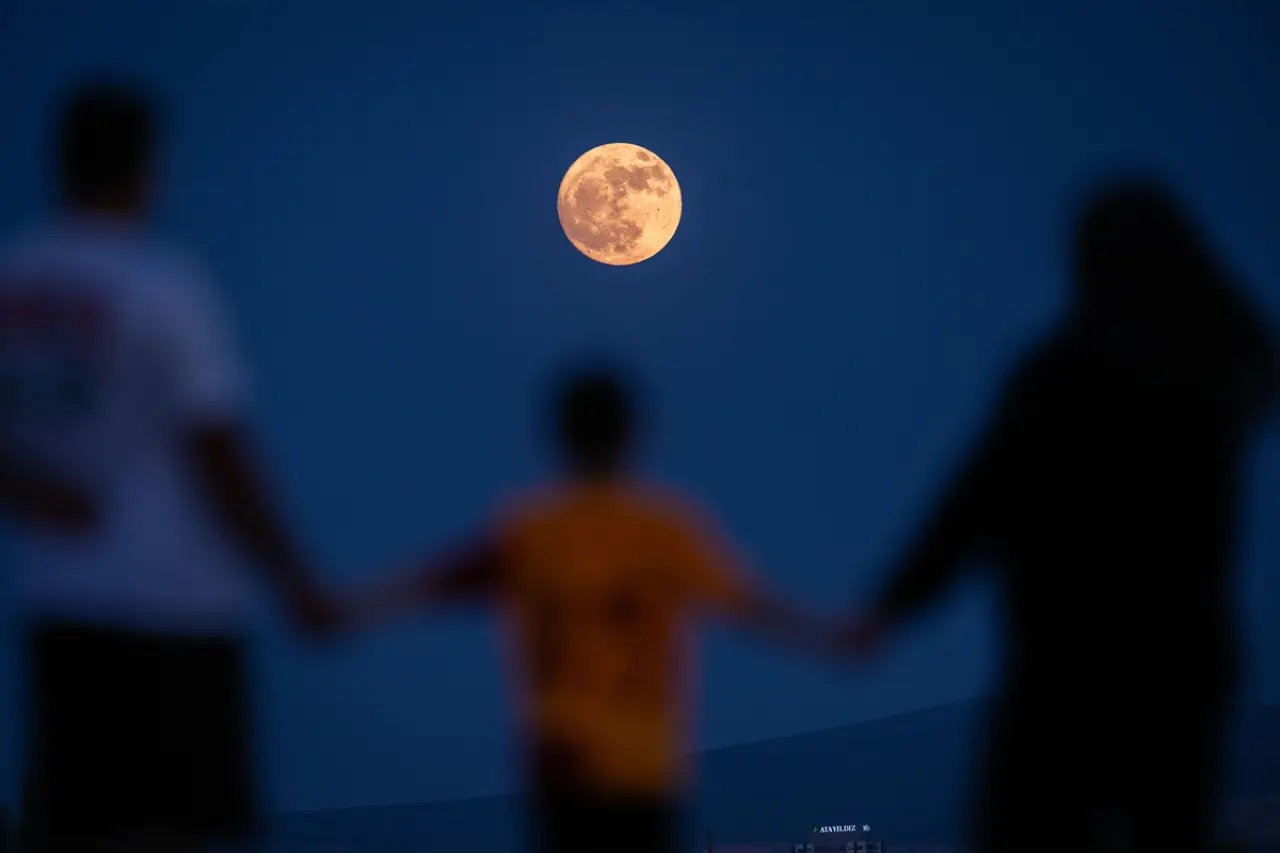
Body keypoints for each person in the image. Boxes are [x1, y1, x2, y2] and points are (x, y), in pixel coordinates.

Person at [844, 177, 1276, 852]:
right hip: (1183, 666)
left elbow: (979, 495)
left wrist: (893, 603)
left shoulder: (1063, 372)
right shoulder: (1220, 375)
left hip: (1062, 668)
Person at [0, 80, 335, 852]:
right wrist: (294, 579)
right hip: (174, 607)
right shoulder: (159, 283)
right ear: (146, 165)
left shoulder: (14, 279)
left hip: (60, 603)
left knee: (79, 821)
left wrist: (30, 488)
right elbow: (217, 443)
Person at [338, 363, 840, 853]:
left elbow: (440, 580)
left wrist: (348, 611)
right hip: (644, 770)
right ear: (633, 434)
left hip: (563, 769)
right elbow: (753, 606)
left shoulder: (532, 530)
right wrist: (836, 637)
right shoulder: (666, 532)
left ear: (558, 434)